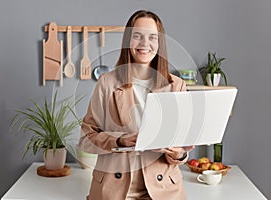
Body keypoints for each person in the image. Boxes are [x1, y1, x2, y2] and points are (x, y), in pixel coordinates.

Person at [78, 10, 194, 200]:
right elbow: (86, 138)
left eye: (152, 37)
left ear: (159, 43)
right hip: (113, 191)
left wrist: (179, 154)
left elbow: (181, 147)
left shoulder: (176, 85)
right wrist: (119, 140)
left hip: (163, 191)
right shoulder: (107, 83)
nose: (144, 44)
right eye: (137, 36)